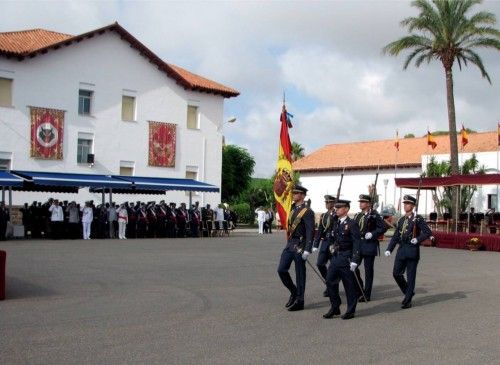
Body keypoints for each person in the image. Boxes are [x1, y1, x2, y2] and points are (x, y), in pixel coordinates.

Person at [385, 195, 432, 309]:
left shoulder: (418, 219)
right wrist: (389, 249)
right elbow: (396, 236)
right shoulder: (401, 219)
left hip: (412, 250)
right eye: (405, 204)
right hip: (401, 250)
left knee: (410, 276)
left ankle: (408, 300)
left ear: (413, 206)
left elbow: (427, 232)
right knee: (396, 273)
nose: (406, 205)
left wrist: (418, 239)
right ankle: (408, 291)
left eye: (408, 204)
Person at [277, 185, 315, 312]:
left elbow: (310, 231)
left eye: (296, 193)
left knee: (300, 273)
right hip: (290, 243)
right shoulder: (292, 209)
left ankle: (300, 300)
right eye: (293, 193)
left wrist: (307, 248)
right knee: (281, 269)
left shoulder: (307, 211)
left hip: (300, 244)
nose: (293, 195)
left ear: (303, 196)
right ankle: (294, 291)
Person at [323, 199, 361, 320]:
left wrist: (355, 259)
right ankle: (335, 306)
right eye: (336, 207)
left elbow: (357, 242)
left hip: (346, 257)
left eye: (339, 208)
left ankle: (351, 310)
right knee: (329, 281)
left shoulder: (352, 224)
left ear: (346, 209)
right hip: (336, 257)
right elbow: (333, 238)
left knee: (349, 285)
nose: (336, 209)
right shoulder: (336, 222)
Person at [353, 194, 387, 302]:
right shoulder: (357, 215)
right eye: (360, 202)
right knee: (352, 268)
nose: (360, 204)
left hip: (369, 245)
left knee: (368, 272)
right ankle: (360, 289)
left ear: (368, 204)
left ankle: (366, 294)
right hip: (358, 245)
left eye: (363, 202)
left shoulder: (374, 215)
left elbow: (383, 227)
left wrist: (373, 234)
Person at [312, 195, 336, 297]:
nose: (326, 204)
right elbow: (320, 230)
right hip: (325, 243)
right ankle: (329, 283)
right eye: (326, 202)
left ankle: (332, 287)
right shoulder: (324, 215)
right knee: (320, 263)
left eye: (328, 202)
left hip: (334, 243)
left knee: (333, 267)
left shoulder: (337, 214)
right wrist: (316, 244)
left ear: (333, 203)